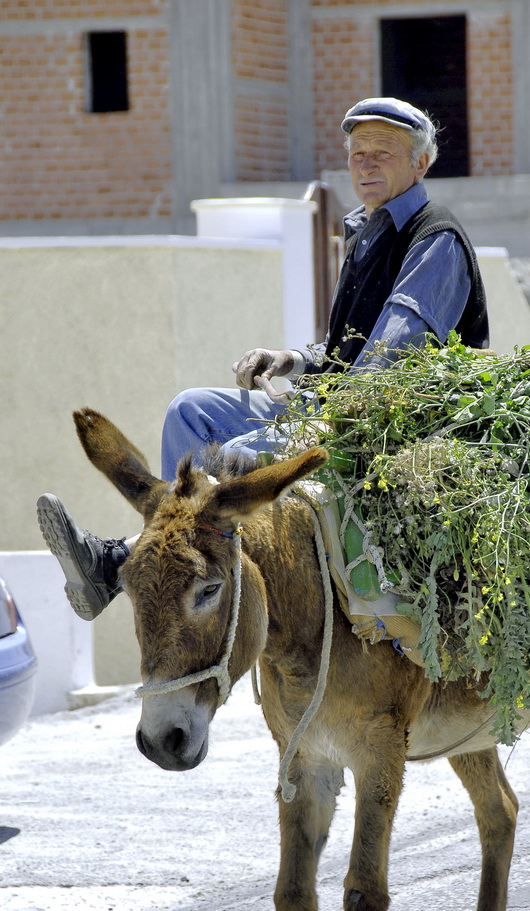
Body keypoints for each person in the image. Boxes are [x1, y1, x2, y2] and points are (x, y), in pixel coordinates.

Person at [37, 96, 489, 621]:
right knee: (190, 411)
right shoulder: (367, 230)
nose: (365, 164)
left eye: (382, 153)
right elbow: (345, 349)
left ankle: (127, 561)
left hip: (389, 426)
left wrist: (316, 417)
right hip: (334, 406)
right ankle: (171, 556)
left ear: (421, 163)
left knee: (228, 457)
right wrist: (289, 358)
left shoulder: (435, 238)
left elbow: (383, 362)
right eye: (357, 152)